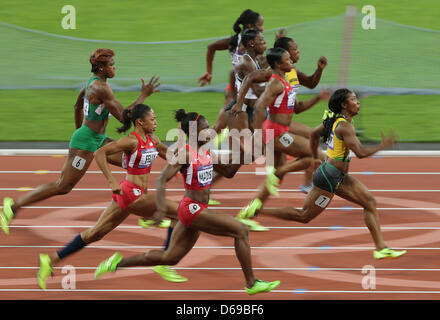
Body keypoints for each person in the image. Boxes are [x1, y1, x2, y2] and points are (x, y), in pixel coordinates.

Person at [94, 109, 281, 295]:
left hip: (196, 210)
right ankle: (251, 283)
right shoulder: (185, 153)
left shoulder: (207, 153)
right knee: (240, 230)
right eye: (205, 129)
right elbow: (162, 179)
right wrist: (160, 209)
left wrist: (244, 155)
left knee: (170, 258)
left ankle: (116, 263)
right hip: (192, 209)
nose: (210, 132)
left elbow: (229, 172)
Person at [1, 48, 160, 235]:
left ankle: (148, 215)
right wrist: (143, 96)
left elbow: (77, 105)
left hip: (96, 138)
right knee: (63, 186)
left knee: (137, 163)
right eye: (111, 65)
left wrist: (79, 130)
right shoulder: (101, 88)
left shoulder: (91, 84)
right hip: (86, 142)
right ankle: (13, 206)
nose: (115, 67)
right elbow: (125, 118)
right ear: (101, 68)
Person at [241, 88, 407, 260]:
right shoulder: (344, 126)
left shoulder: (335, 120)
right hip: (329, 178)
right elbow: (361, 152)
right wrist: (381, 146)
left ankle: (380, 248)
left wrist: (314, 157)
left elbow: (313, 134)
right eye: (354, 99)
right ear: (344, 105)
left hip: (337, 175)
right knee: (303, 216)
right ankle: (258, 210)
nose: (358, 102)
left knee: (370, 202)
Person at [37, 104, 187, 290]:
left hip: (129, 195)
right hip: (132, 194)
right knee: (178, 212)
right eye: (153, 119)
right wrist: (111, 181)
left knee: (95, 233)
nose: (156, 122)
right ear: (140, 121)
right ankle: (164, 262)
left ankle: (51, 260)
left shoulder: (153, 140)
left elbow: (172, 156)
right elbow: (99, 152)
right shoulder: (130, 142)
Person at [235, 47, 326, 224]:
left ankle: (248, 213)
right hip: (275, 133)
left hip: (279, 131)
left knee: (277, 175)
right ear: (277, 64)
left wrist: (317, 98)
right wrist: (258, 135)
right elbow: (260, 106)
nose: (291, 61)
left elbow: (295, 108)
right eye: (287, 60)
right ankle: (278, 172)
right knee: (315, 155)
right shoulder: (276, 83)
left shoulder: (284, 80)